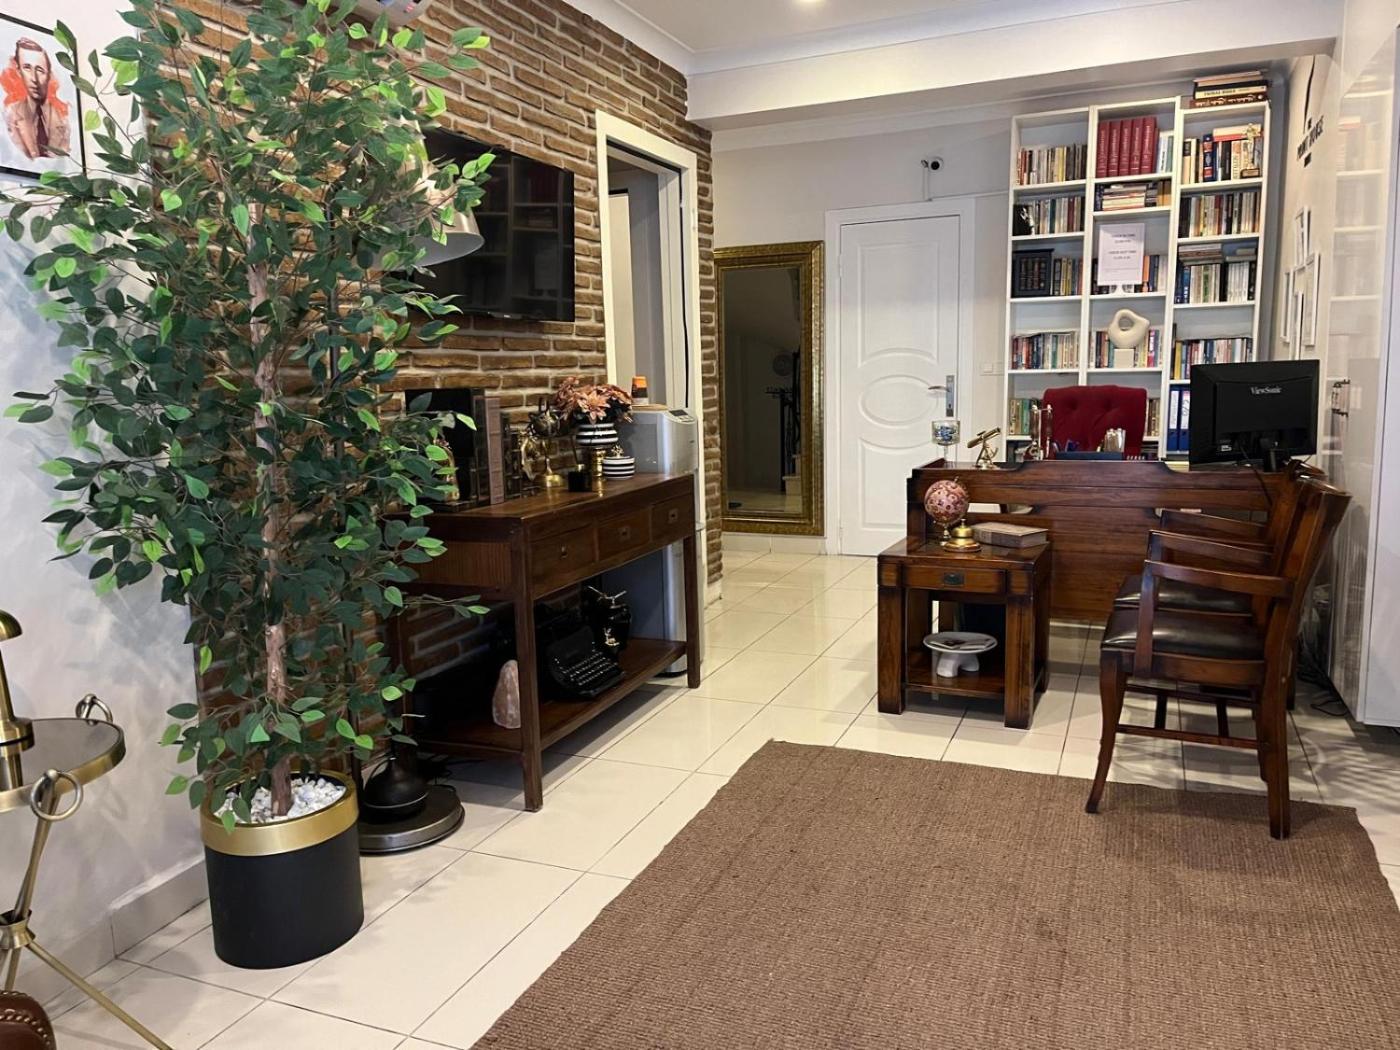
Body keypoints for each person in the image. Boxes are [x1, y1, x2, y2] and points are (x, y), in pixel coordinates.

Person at [5, 37, 70, 161]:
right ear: (18, 71)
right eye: (27, 68)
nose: (34, 78)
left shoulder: (63, 121)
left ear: (49, 75)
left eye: (40, 70)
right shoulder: (10, 115)